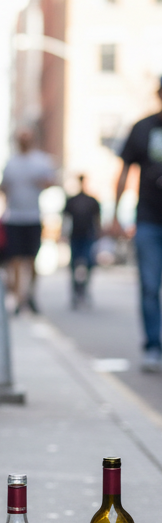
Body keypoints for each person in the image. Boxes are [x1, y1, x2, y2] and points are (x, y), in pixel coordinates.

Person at [112, 78, 162, 372]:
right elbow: (123, 172)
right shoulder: (142, 128)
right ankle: (153, 345)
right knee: (149, 285)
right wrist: (116, 214)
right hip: (148, 220)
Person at [0, 129, 56, 314]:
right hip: (14, 217)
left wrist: (40, 182)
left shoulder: (41, 161)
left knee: (32, 259)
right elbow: (3, 187)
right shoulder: (11, 163)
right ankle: (17, 297)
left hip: (33, 216)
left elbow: (51, 182)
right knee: (14, 260)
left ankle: (30, 293)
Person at [62, 174, 101, 309]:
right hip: (75, 236)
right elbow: (66, 218)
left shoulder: (92, 201)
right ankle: (75, 291)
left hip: (88, 236)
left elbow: (97, 219)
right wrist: (63, 234)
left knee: (89, 262)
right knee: (74, 264)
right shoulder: (72, 200)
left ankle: (85, 288)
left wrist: (98, 233)